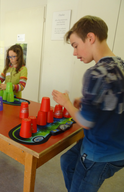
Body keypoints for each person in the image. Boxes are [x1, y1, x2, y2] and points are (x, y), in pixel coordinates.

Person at [52, 15, 124, 192]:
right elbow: (115, 98)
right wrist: (86, 101)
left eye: (75, 46)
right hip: (119, 146)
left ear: (91, 38)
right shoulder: (120, 64)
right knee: (67, 161)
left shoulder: (95, 73)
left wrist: (66, 102)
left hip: (99, 152)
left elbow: (85, 122)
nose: (75, 53)